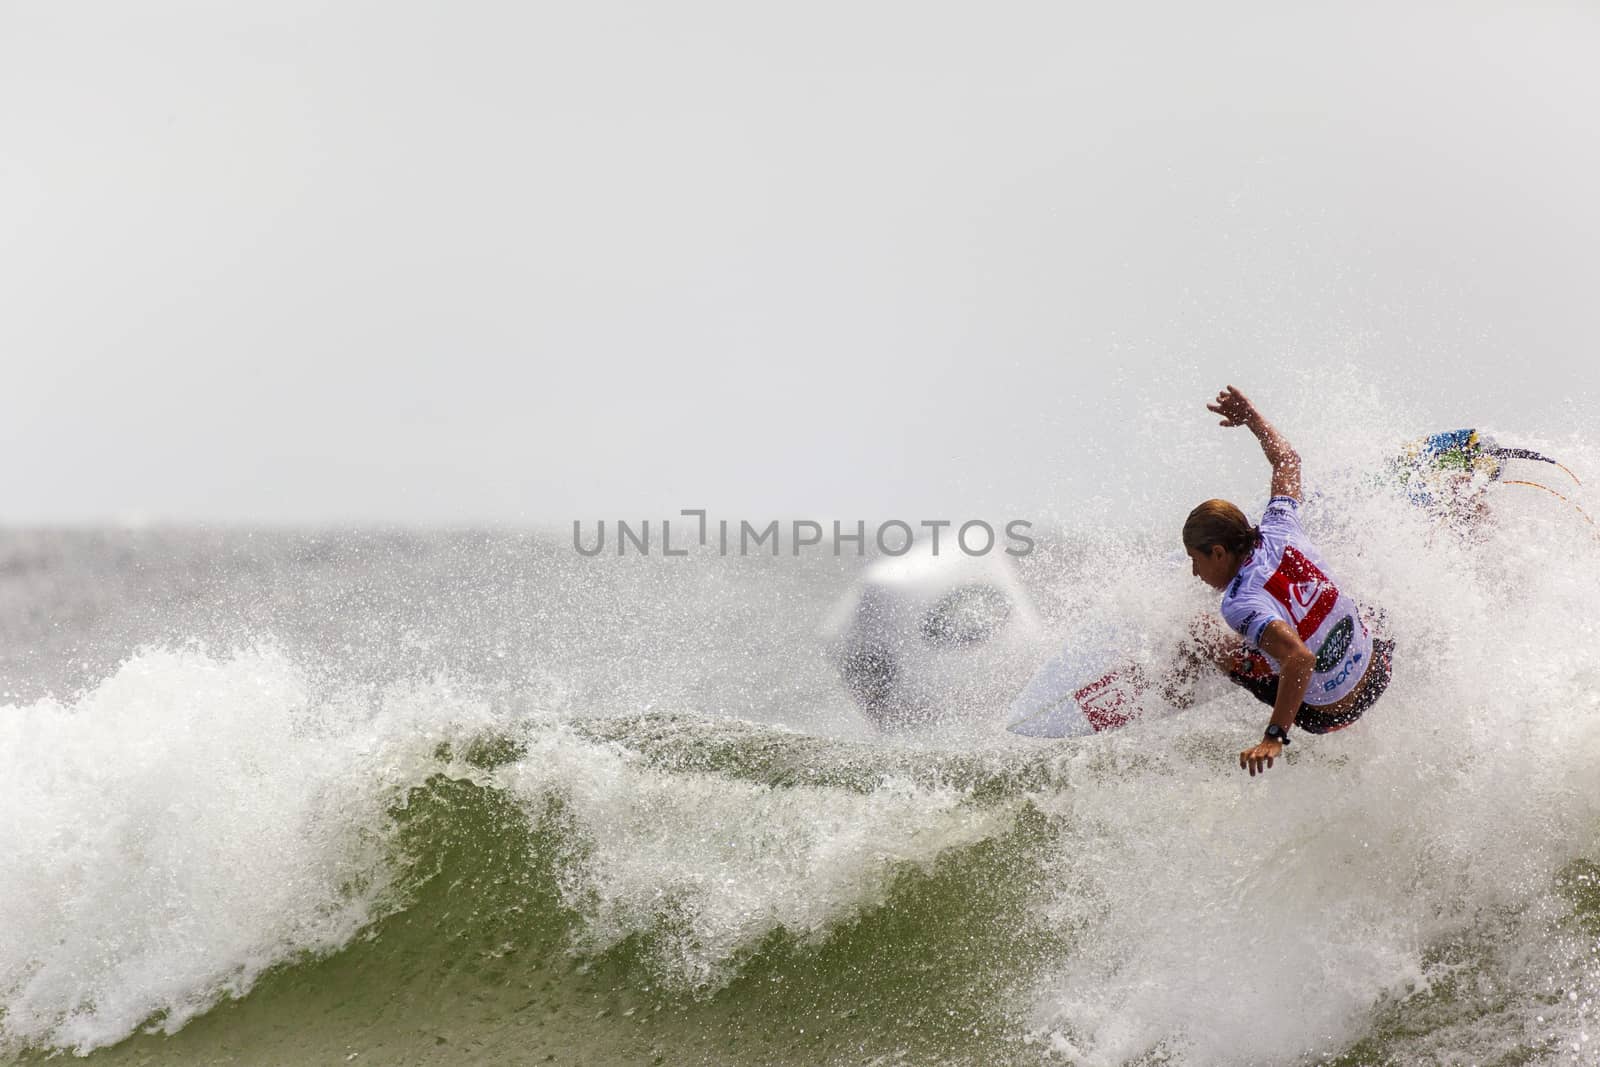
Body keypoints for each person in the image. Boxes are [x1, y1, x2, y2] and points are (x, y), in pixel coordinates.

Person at [1182, 386, 1395, 776]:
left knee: (1199, 632)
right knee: (1350, 589)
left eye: (1195, 560)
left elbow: (1299, 657)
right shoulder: (1281, 524)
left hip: (1331, 713)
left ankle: (1178, 680)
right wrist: (1252, 419)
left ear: (1218, 552)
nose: (1195, 573)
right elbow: (1287, 460)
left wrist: (1274, 736)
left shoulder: (1239, 602)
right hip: (1380, 665)